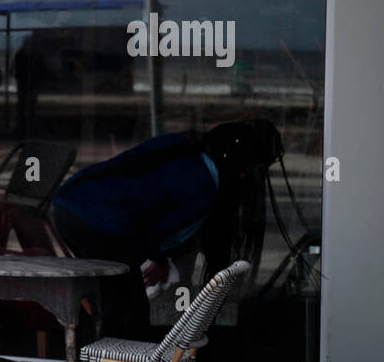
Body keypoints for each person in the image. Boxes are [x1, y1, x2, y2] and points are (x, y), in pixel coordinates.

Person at [52, 119, 283, 338]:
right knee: (131, 307)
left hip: (71, 204)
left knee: (115, 299)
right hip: (97, 219)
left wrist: (159, 257)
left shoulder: (188, 154)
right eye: (244, 173)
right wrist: (159, 259)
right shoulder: (203, 186)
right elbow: (154, 227)